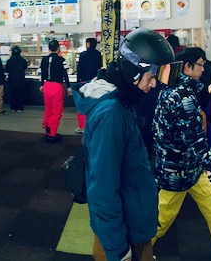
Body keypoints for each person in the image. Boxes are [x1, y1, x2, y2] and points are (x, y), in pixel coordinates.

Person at [75, 28, 174, 261]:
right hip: (124, 235)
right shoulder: (112, 113)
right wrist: (118, 250)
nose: (153, 85)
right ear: (133, 72)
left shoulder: (122, 102)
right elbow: (102, 187)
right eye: (151, 77)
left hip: (133, 223)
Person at [150, 48, 211, 259]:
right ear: (187, 67)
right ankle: (136, 248)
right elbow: (197, 143)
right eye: (200, 63)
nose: (204, 68)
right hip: (178, 171)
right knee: (163, 216)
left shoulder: (171, 89)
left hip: (188, 167)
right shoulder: (183, 97)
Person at [40, 40, 69, 142]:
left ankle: (46, 125)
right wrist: (69, 86)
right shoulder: (61, 60)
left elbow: (42, 73)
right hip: (56, 87)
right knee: (57, 112)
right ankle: (52, 134)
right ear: (58, 48)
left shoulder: (44, 59)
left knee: (48, 108)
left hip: (46, 86)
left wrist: (42, 85)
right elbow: (65, 74)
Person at [77, 38, 104, 134]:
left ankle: (82, 126)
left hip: (84, 82)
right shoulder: (98, 55)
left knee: (82, 103)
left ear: (88, 44)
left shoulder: (83, 55)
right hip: (95, 82)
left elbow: (79, 68)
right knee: (94, 104)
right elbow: (100, 68)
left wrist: (78, 81)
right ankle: (93, 125)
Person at [6, 46, 28, 113]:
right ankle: (20, 108)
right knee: (20, 94)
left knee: (12, 94)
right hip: (20, 80)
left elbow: (7, 70)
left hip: (12, 80)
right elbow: (25, 67)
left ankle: (13, 107)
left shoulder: (9, 61)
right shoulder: (23, 61)